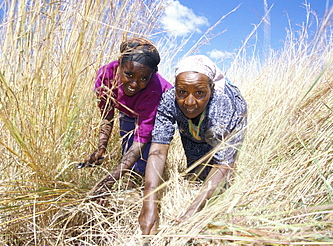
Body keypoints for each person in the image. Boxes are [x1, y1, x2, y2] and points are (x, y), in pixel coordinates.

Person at [138, 55, 247, 234]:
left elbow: (223, 164)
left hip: (222, 123)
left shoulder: (224, 106)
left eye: (199, 93)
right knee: (197, 175)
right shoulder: (168, 101)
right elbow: (158, 150)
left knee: (220, 186)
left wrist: (191, 214)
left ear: (211, 89)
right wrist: (149, 203)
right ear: (175, 90)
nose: (189, 102)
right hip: (192, 128)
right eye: (182, 92)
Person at [80, 38, 172, 200]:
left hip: (156, 110)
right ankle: (128, 179)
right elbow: (107, 116)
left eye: (143, 78)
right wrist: (101, 148)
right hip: (128, 110)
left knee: (143, 156)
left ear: (152, 74)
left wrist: (108, 181)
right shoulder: (105, 76)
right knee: (126, 144)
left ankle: (137, 188)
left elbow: (140, 140)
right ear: (119, 64)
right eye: (128, 74)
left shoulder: (155, 90)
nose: (135, 84)